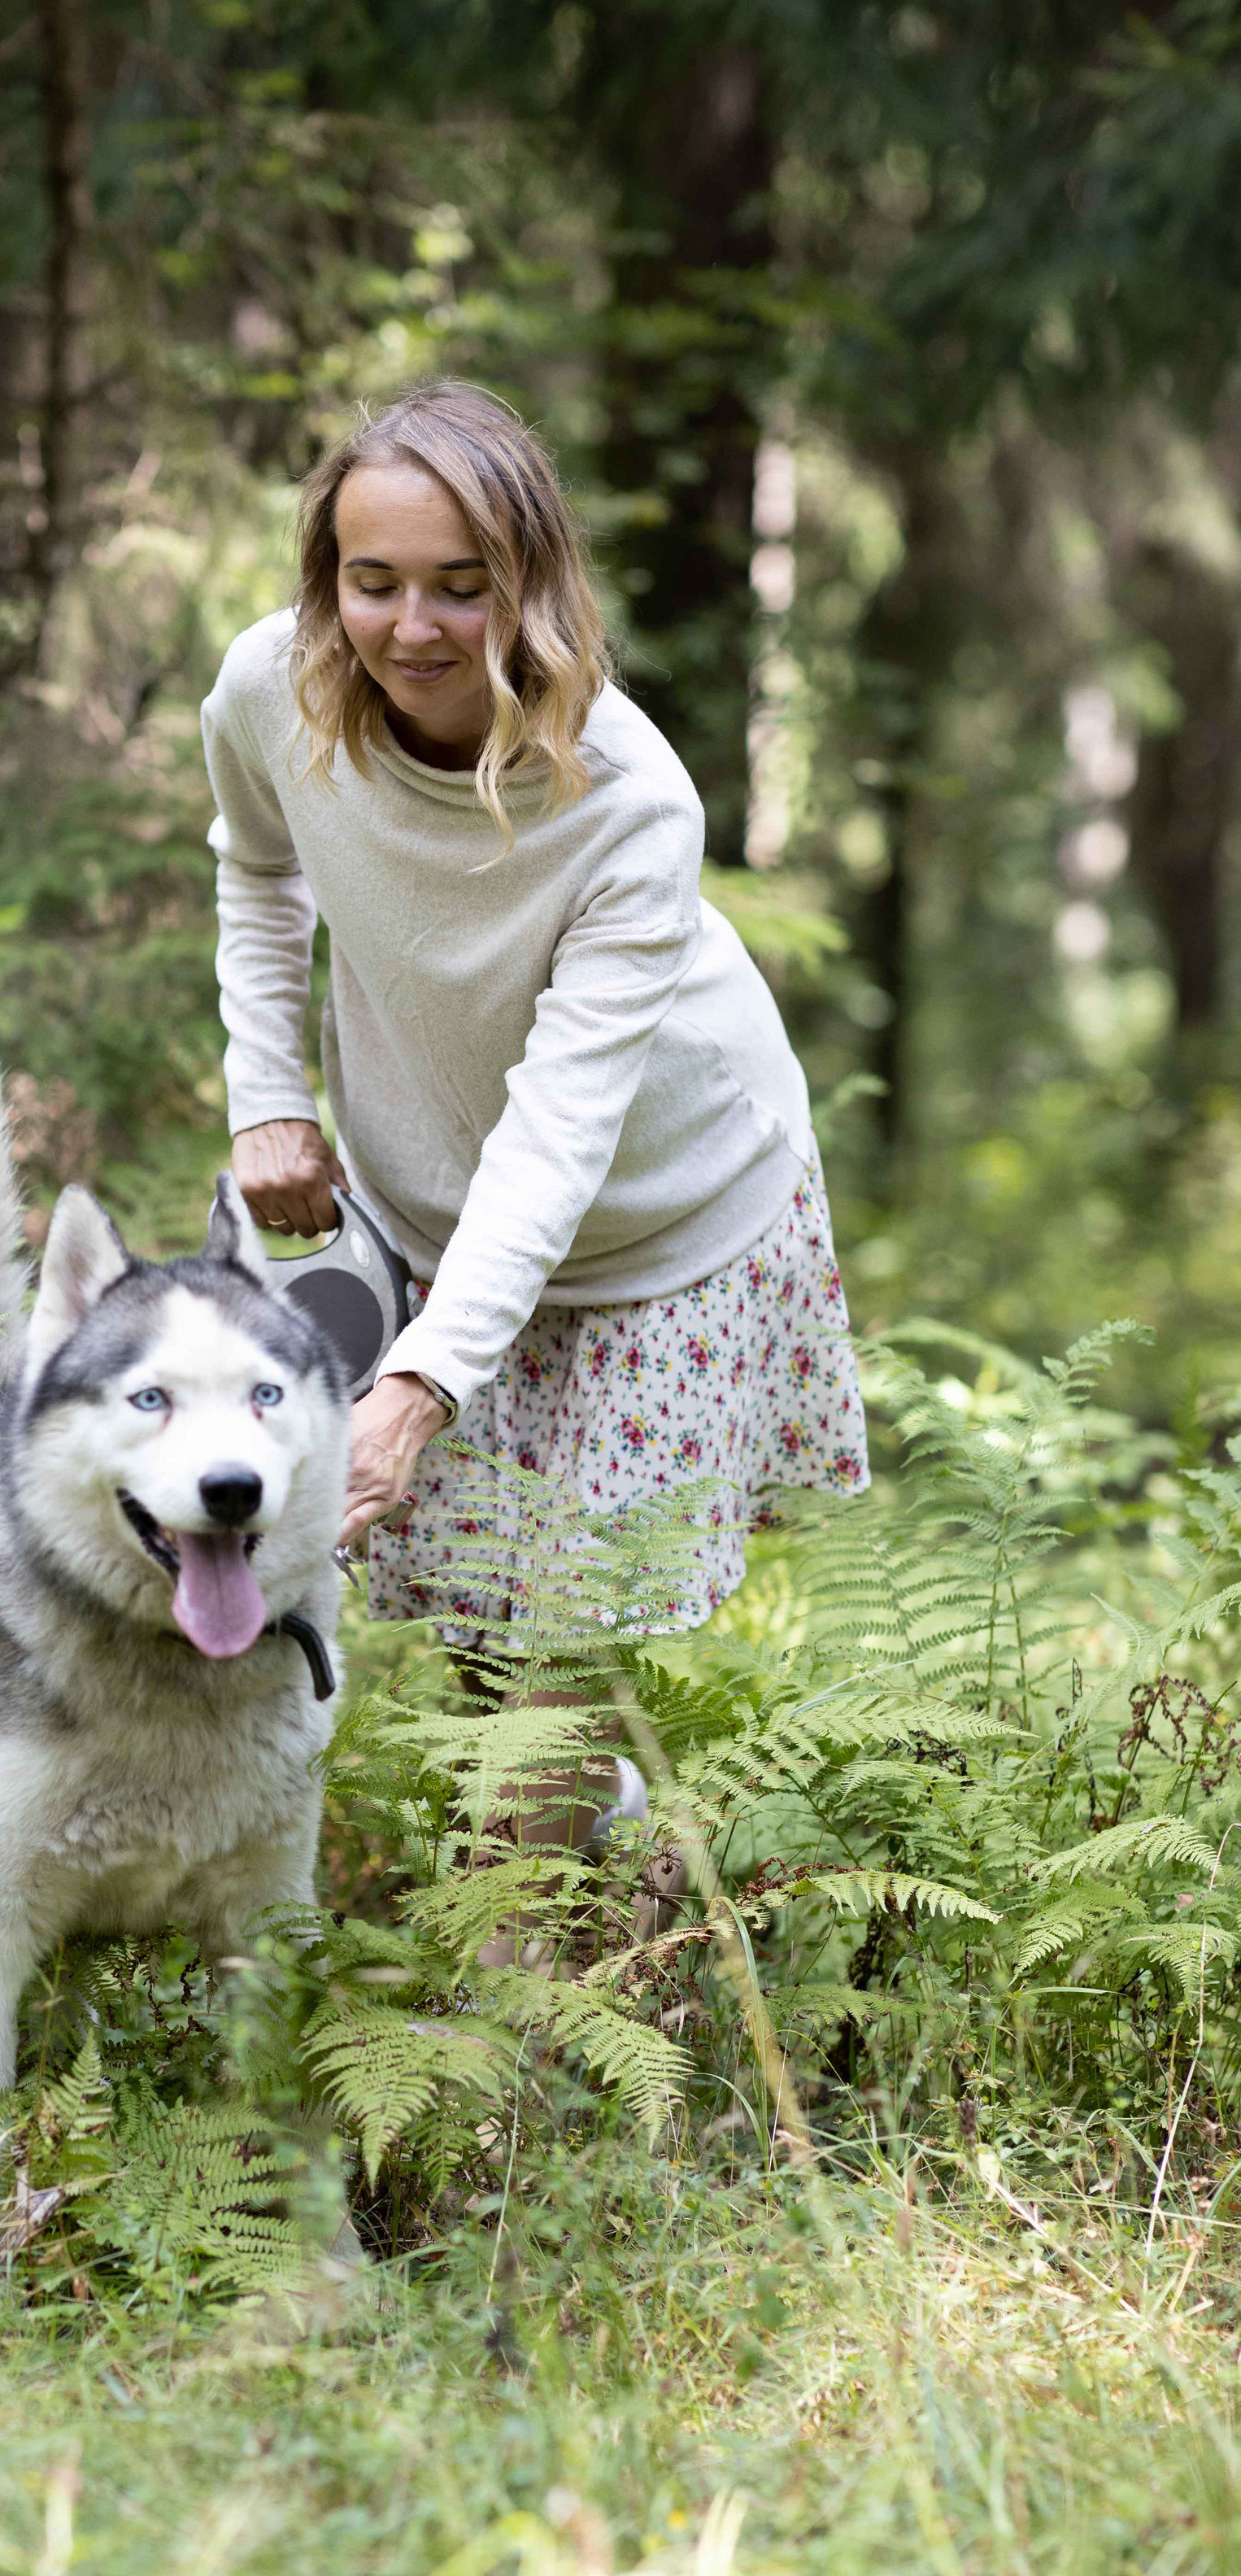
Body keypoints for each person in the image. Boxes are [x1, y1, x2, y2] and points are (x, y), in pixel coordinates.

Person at [205, 380, 868, 1787]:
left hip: (662, 1216)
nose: (413, 628)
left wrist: (421, 1383)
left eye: (462, 587)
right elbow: (257, 865)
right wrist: (267, 1089)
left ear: (531, 583)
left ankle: (524, 1985)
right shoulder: (273, 689)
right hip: (431, 1190)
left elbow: (564, 1133)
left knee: (562, 1632)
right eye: (371, 582)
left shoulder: (628, 801)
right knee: (475, 1616)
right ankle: (584, 1841)